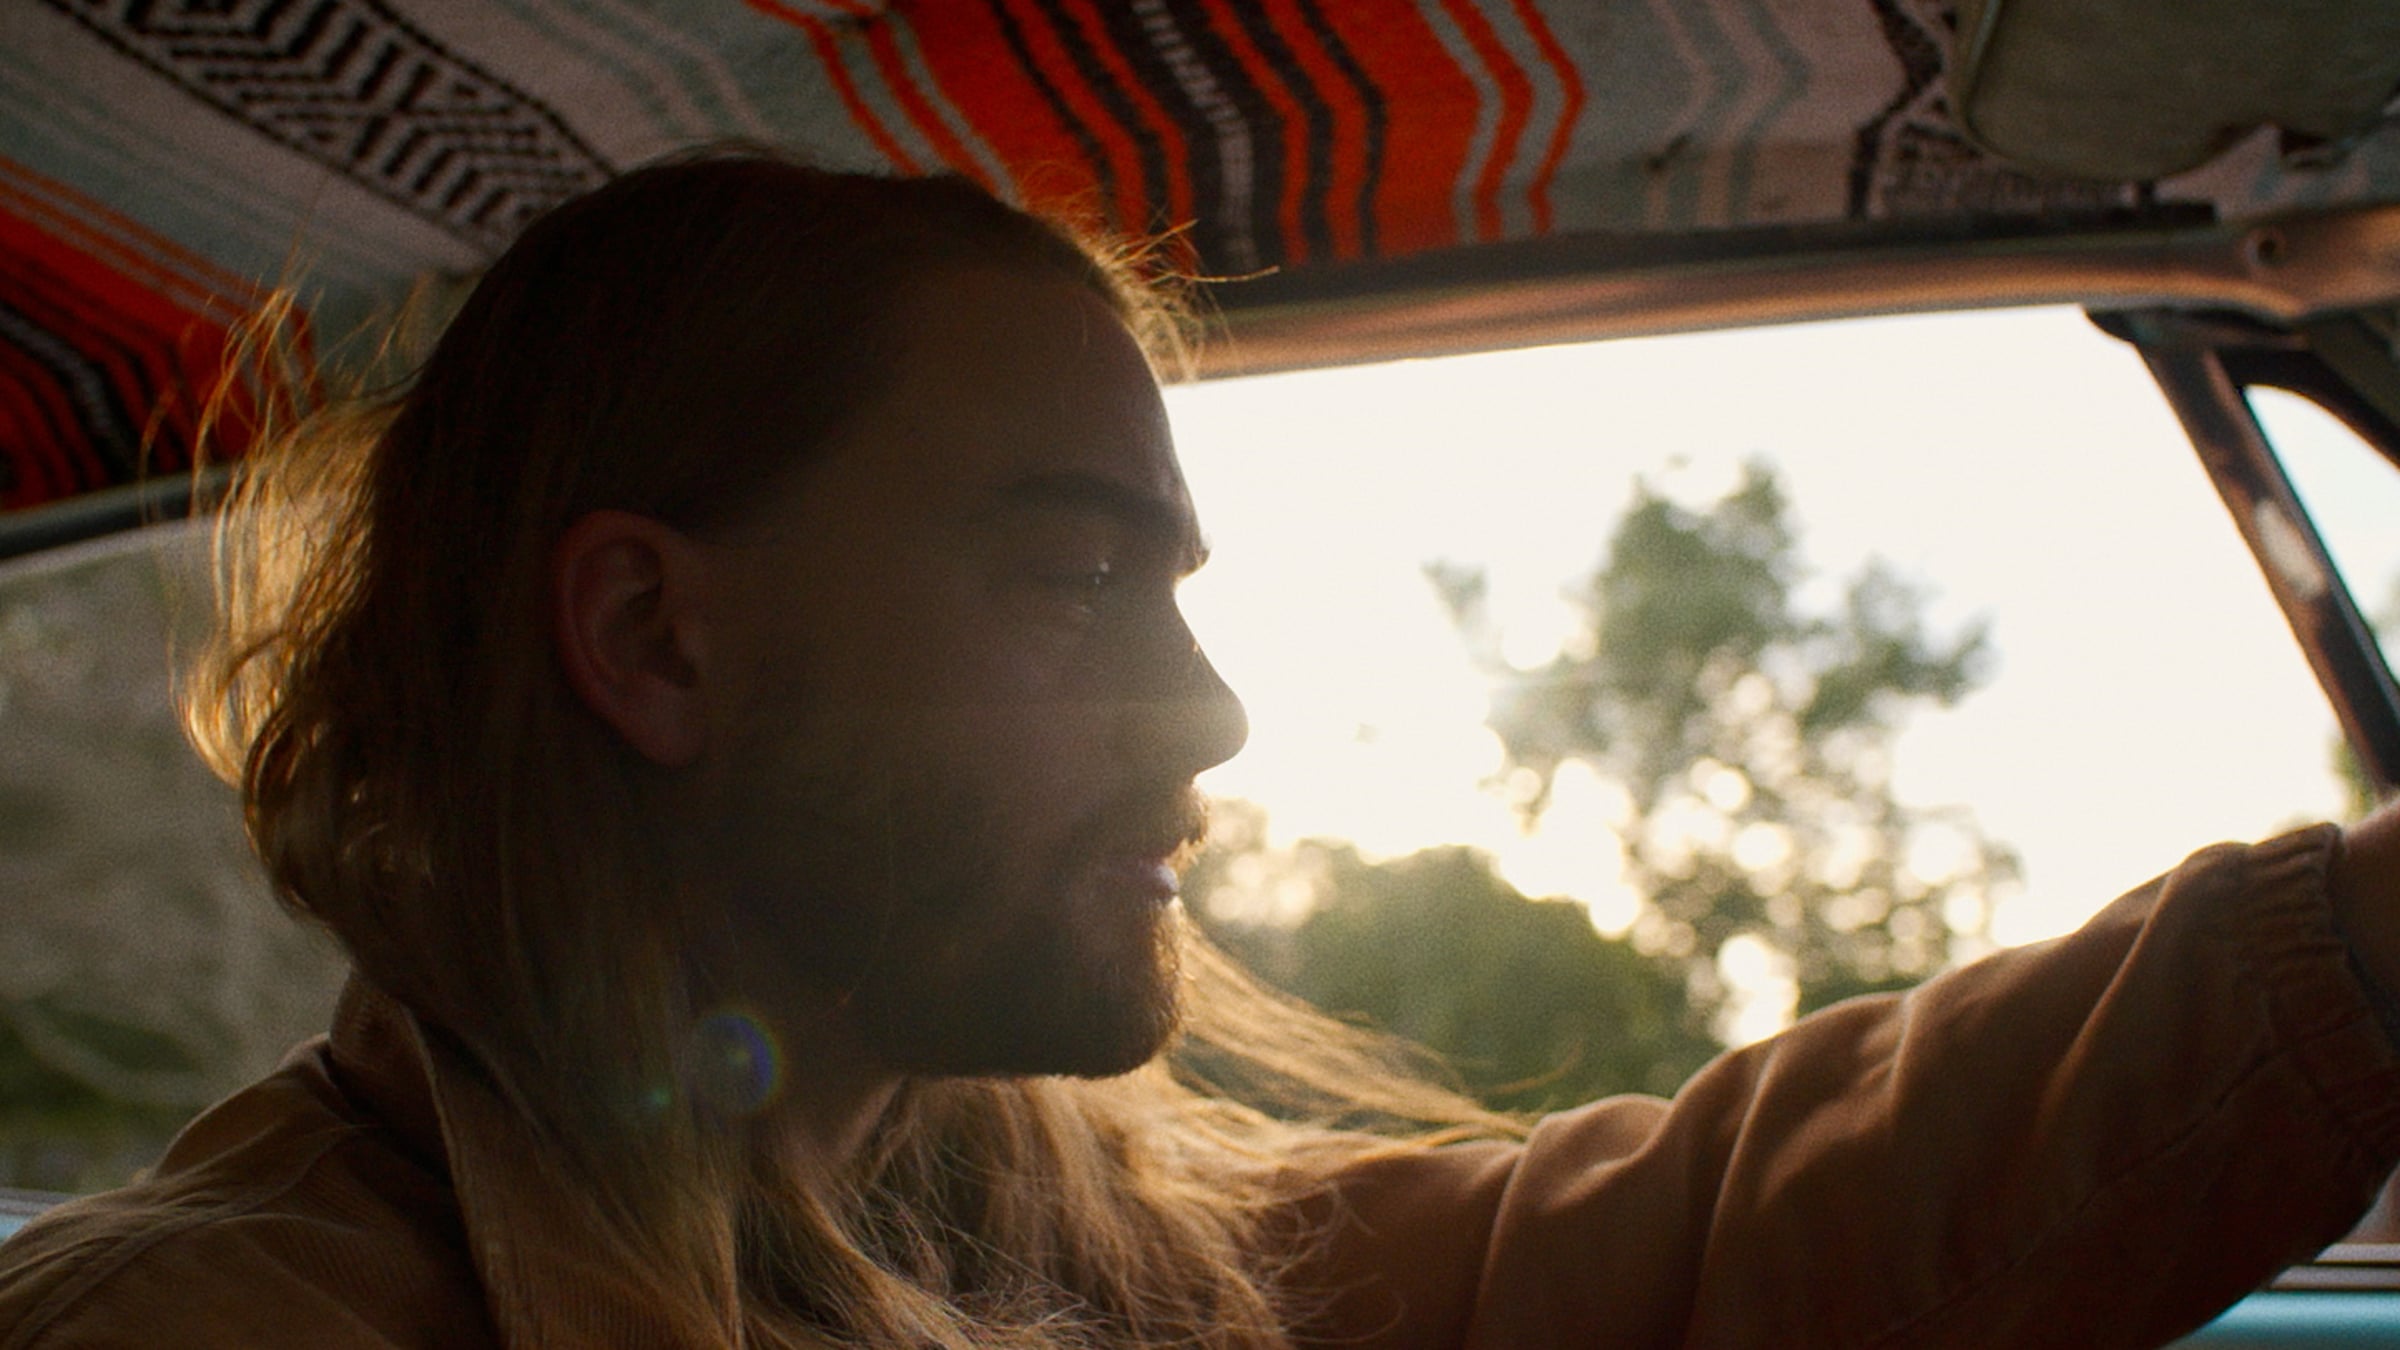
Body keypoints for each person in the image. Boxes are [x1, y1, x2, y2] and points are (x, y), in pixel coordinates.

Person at [2, 149, 2399, 1349]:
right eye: (1073, 576)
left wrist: (2363, 947)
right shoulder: (214, 1334)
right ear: (653, 637)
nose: (1219, 711)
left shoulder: (1053, 1238)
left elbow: (1711, 1238)